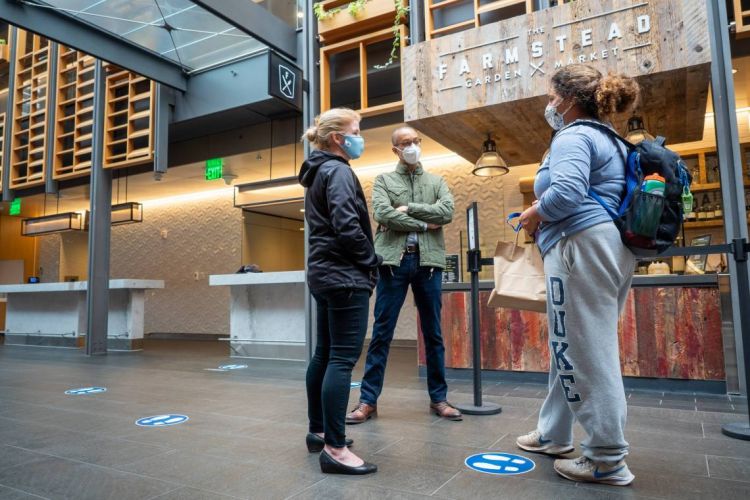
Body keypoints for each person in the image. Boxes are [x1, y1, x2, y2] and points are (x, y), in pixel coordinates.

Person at [515, 64, 640, 486]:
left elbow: (566, 193)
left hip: (578, 244)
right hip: (609, 246)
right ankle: (554, 433)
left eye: (552, 97)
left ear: (569, 100)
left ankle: (606, 456)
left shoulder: (573, 135)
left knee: (585, 350)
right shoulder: (611, 139)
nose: (549, 105)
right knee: (573, 343)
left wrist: (534, 213)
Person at [346, 126, 462, 424]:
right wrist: (424, 224)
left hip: (429, 264)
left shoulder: (436, 181)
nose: (411, 146)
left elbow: (446, 212)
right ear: (395, 149)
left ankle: (439, 398)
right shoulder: (384, 180)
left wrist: (409, 207)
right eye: (405, 143)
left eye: (415, 141)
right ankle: (367, 401)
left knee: (433, 333)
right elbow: (383, 214)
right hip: (393, 264)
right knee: (382, 332)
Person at [298, 107, 380, 475]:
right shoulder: (339, 171)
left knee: (325, 354)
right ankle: (334, 448)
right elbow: (348, 226)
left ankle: (319, 431)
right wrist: (370, 261)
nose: (359, 137)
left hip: (324, 274)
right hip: (345, 276)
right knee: (341, 360)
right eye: (356, 130)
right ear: (337, 138)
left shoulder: (317, 172)